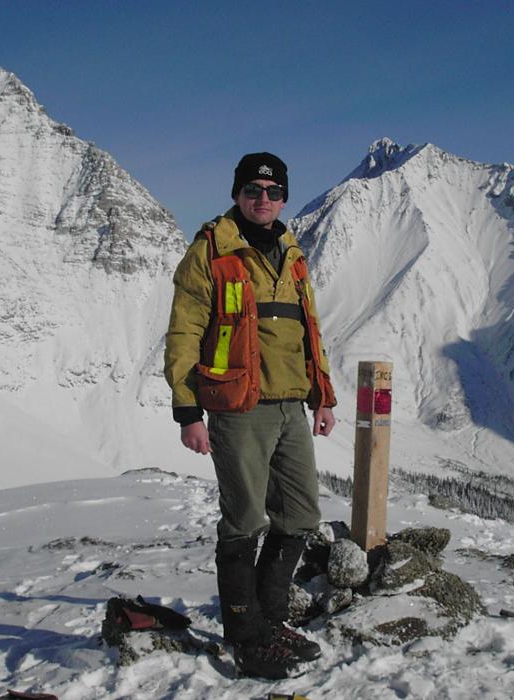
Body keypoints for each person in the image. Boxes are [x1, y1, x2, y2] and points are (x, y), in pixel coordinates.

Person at [164, 152, 337, 679]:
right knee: (244, 520)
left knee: (301, 515)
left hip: (291, 403)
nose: (263, 199)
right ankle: (245, 635)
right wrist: (187, 408)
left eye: (273, 191)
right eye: (253, 189)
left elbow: (309, 329)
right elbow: (185, 329)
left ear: (284, 197)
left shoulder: (292, 251)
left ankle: (271, 620)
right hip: (238, 406)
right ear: (238, 193)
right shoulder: (212, 249)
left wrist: (322, 395)